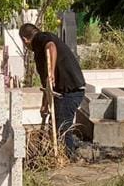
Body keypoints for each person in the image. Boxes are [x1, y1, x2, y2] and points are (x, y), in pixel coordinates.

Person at [19, 23, 87, 158]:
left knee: (62, 126)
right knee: (53, 125)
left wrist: (51, 73)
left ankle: (69, 157)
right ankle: (59, 155)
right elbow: (47, 85)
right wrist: (45, 104)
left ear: (24, 40)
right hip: (62, 92)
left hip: (70, 91)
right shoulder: (38, 53)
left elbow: (51, 46)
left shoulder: (40, 39)